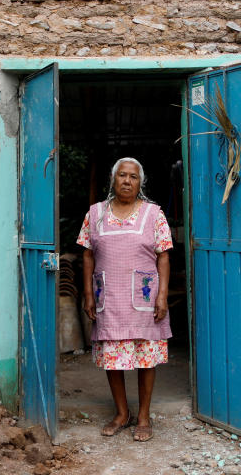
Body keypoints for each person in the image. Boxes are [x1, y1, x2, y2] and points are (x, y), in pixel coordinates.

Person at [77, 157, 172, 442]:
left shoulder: (154, 214)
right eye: (122, 176)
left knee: (145, 357)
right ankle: (122, 413)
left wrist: (163, 295)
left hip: (143, 297)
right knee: (112, 358)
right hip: (109, 296)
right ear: (113, 179)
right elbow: (87, 254)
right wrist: (87, 294)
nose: (127, 181)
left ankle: (143, 415)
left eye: (133, 176)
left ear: (140, 182)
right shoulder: (95, 214)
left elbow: (163, 255)